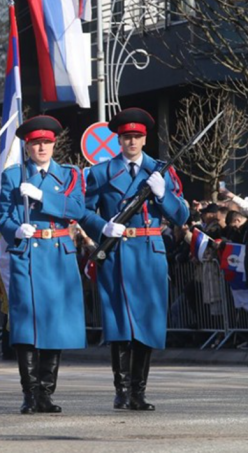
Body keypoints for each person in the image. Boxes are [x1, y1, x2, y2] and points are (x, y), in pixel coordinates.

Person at [80, 108, 189, 411]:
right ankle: (122, 390)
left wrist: (163, 193)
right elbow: (83, 210)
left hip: (149, 252)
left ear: (144, 138)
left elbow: (180, 215)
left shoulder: (160, 171)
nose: (132, 141)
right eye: (127, 137)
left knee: (147, 323)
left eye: (137, 136)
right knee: (119, 323)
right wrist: (102, 226)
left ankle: (138, 391)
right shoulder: (102, 172)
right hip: (117, 251)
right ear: (118, 139)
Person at [0, 116, 87, 414]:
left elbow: (77, 209)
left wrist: (42, 196)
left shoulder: (70, 174)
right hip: (28, 254)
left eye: (47, 142)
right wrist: (15, 231)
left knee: (55, 324)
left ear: (54, 144)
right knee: (26, 323)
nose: (42, 147)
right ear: (27, 146)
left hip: (59, 253)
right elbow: (4, 215)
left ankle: (46, 393)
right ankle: (30, 392)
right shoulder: (13, 175)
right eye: (36, 143)